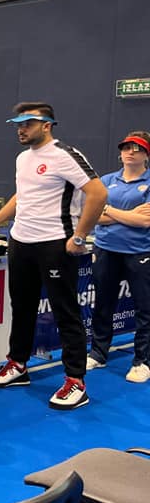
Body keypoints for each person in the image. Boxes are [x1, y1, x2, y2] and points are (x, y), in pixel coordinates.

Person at [0, 102, 107, 409]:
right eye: (18, 124)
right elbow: (22, 196)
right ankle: (18, 364)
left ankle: (75, 380)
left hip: (55, 245)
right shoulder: (23, 158)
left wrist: (79, 236)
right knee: (21, 307)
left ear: (46, 125)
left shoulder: (64, 155)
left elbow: (98, 193)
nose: (21, 129)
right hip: (20, 242)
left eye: (27, 123)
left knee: (66, 312)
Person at [87, 131, 150, 382]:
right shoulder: (106, 181)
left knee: (144, 308)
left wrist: (109, 210)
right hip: (105, 249)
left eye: (137, 148)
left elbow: (145, 221)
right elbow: (93, 216)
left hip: (140, 252)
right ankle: (98, 354)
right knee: (103, 304)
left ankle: (142, 361)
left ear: (146, 154)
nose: (130, 152)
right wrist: (129, 215)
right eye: (126, 147)